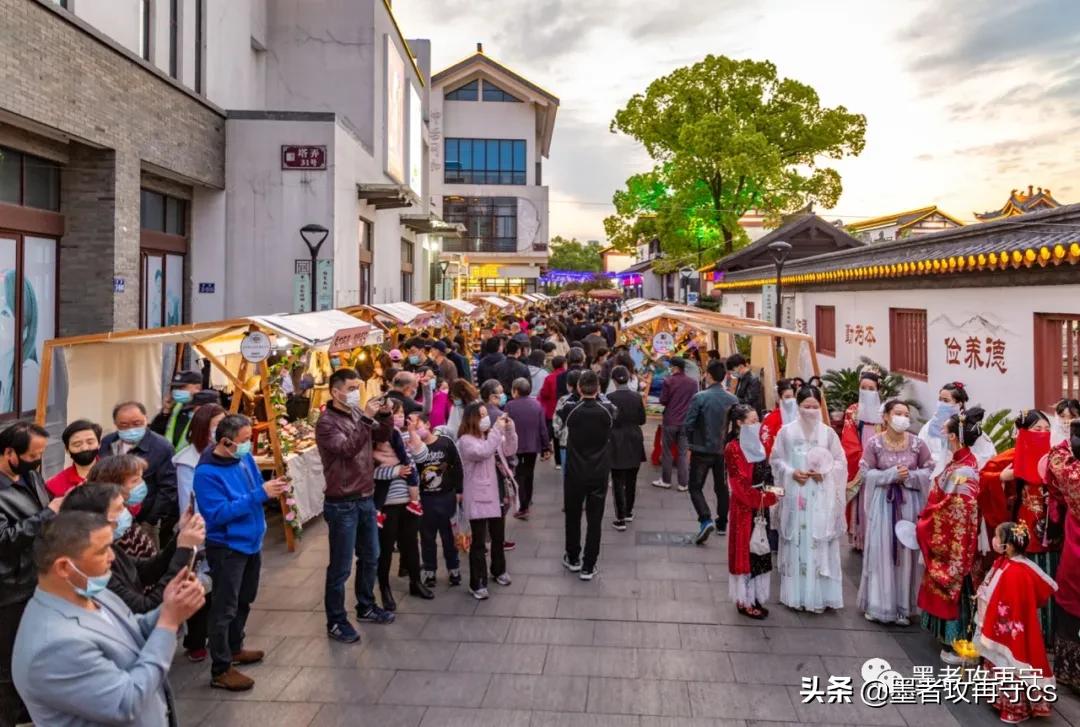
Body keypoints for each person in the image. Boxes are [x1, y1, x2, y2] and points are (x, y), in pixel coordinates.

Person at [12, 511, 205, 727]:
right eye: (103, 551)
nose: (112, 557)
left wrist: (170, 606)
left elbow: (131, 628)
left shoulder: (89, 590)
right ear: (64, 567)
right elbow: (125, 703)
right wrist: (168, 622)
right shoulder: (53, 646)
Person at [194, 414, 290, 691]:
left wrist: (272, 489)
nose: (249, 445)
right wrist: (260, 495)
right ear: (226, 442)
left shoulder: (243, 457)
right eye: (245, 440)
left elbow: (256, 486)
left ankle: (235, 647)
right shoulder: (206, 473)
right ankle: (220, 669)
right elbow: (217, 514)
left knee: (245, 598)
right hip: (227, 547)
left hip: (251, 541)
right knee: (224, 607)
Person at [316, 369, 395, 646]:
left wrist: (385, 414)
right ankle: (336, 621)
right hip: (342, 502)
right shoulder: (326, 423)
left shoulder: (356, 413)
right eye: (350, 388)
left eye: (357, 388)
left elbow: (381, 434)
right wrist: (367, 419)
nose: (354, 393)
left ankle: (366, 605)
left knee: (371, 555)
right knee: (340, 567)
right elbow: (347, 449)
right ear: (335, 391)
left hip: (365, 496)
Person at [60, 482, 205, 614]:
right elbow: (145, 608)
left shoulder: (110, 547)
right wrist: (184, 550)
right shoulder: (94, 571)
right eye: (119, 509)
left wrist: (180, 538)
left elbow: (147, 570)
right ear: (95, 519)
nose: (126, 513)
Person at [980, 409, 1059, 646]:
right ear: (1023, 432)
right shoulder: (1014, 456)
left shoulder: (1056, 457)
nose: (1043, 433)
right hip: (1023, 530)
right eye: (1037, 429)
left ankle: (1049, 636)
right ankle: (1025, 637)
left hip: (1052, 532)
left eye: (1047, 430)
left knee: (1050, 581)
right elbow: (984, 477)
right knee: (1023, 586)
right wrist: (1002, 478)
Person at [0, 422, 58, 726]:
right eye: (32, 455)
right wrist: (49, 514)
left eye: (40, 454)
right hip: (9, 589)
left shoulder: (31, 476)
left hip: (38, 580)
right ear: (9, 452)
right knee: (6, 664)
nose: (37, 461)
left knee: (32, 654)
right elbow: (4, 540)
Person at [917, 407, 985, 664]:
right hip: (956, 536)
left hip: (956, 540)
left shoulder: (963, 471)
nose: (943, 434)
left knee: (956, 587)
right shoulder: (961, 462)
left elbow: (955, 511)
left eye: (946, 431)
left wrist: (927, 519)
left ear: (954, 437)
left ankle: (956, 644)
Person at [770, 386, 846, 613]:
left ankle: (821, 595)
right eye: (806, 406)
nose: (811, 411)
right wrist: (791, 472)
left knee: (819, 540)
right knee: (797, 538)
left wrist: (825, 473)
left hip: (821, 495)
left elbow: (840, 462)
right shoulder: (786, 432)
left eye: (815, 406)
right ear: (798, 406)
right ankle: (797, 594)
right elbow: (776, 459)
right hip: (796, 493)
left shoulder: (828, 434)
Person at [856, 400, 932, 625]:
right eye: (898, 413)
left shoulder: (918, 444)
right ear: (886, 416)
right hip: (884, 503)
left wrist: (910, 476)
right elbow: (866, 473)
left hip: (909, 503)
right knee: (882, 550)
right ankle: (878, 605)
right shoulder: (874, 443)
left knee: (906, 552)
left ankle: (903, 608)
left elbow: (929, 470)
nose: (903, 418)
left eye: (906, 414)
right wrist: (889, 475)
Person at [975, 521, 1057, 723]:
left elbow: (1004, 602)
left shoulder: (1014, 572)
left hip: (1008, 628)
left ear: (1009, 545)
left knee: (1010, 663)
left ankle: (1014, 709)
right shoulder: (1009, 564)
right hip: (1010, 625)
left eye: (998, 537)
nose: (994, 540)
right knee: (1005, 661)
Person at [373, 404, 433, 608]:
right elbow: (369, 472)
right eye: (393, 414)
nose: (396, 418)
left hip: (410, 501)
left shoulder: (403, 436)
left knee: (411, 544)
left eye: (398, 414)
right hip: (387, 504)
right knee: (386, 548)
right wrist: (395, 471)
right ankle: (384, 588)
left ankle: (416, 582)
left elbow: (421, 457)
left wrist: (414, 433)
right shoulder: (374, 440)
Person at [559, 370, 617, 580]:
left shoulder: (571, 410)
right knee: (595, 520)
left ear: (578, 388)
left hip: (575, 471)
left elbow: (563, 410)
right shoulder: (607, 410)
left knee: (573, 516)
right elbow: (613, 410)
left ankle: (573, 557)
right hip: (599, 471)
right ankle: (589, 565)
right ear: (599, 388)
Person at [457, 403, 518, 600]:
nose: (486, 419)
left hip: (498, 492)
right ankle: (477, 583)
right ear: (471, 418)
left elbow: (509, 449)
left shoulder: (490, 435)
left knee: (498, 537)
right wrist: (497, 431)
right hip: (479, 495)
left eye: (486, 415)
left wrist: (509, 430)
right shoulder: (466, 441)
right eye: (481, 415)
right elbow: (482, 452)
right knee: (479, 542)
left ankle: (499, 570)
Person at [726, 405, 781, 619]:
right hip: (744, 509)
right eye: (752, 420)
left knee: (760, 551)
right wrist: (765, 498)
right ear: (739, 423)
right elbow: (738, 485)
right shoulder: (733, 448)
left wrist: (774, 491)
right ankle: (744, 599)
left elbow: (767, 473)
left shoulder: (758, 445)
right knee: (746, 553)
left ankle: (756, 596)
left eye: (758, 419)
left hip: (759, 506)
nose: (757, 424)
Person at [100, 401, 179, 548]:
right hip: (111, 518)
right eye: (124, 425)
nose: (131, 429)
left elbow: (168, 488)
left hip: (144, 520)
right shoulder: (107, 442)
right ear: (116, 424)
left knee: (146, 556)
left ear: (146, 419)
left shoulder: (162, 447)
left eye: (137, 423)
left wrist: (151, 520)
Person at [683, 359, 740, 543]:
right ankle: (722, 522)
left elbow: (689, 424)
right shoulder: (732, 399)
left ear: (708, 375)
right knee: (721, 487)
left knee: (695, 487)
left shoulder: (700, 397)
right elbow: (737, 427)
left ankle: (705, 518)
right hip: (722, 450)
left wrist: (690, 443)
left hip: (701, 449)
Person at [1046, 422, 1080, 691]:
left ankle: (1070, 671)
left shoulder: (1070, 471)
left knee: (1071, 606)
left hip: (1074, 548)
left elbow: (1055, 458)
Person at [413, 411, 464, 588]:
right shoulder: (414, 448)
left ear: (427, 424)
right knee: (427, 537)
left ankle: (454, 569)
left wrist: (459, 490)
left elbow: (457, 466)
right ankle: (430, 571)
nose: (415, 431)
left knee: (449, 536)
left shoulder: (445, 443)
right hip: (425, 499)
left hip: (446, 496)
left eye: (417, 426)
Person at [841, 369, 884, 551]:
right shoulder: (853, 411)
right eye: (863, 388)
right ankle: (861, 538)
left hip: (880, 459)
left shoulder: (884, 411)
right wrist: (862, 459)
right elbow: (848, 439)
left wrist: (882, 458)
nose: (867, 391)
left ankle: (878, 539)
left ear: (878, 390)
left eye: (871, 388)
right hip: (860, 460)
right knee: (861, 499)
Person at [918, 381, 996, 474]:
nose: (941, 404)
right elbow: (920, 452)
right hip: (933, 476)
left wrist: (959, 466)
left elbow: (987, 457)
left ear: (959, 404)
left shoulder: (969, 428)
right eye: (940, 400)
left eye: (946, 401)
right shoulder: (929, 427)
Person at [607, 365, 646, 530]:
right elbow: (642, 419)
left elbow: (607, 420)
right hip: (634, 438)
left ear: (614, 380)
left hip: (616, 440)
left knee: (617, 479)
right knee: (632, 479)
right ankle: (629, 511)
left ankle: (620, 517)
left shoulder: (609, 397)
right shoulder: (636, 396)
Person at [506, 377, 550, 520]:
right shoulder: (537, 405)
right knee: (529, 473)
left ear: (515, 391)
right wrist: (546, 447)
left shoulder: (510, 406)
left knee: (518, 474)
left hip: (515, 446)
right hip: (533, 445)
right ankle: (528, 500)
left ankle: (523, 505)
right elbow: (542, 428)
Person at [654, 357, 699, 492]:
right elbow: (695, 401)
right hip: (685, 421)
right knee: (683, 453)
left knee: (667, 451)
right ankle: (683, 483)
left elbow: (663, 400)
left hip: (670, 420)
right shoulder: (693, 383)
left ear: (674, 367)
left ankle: (666, 480)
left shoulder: (669, 381)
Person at [46, 418, 102, 497]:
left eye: (90, 442)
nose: (84, 448)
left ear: (99, 444)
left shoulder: (116, 474)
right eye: (77, 444)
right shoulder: (54, 485)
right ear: (67, 449)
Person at [150, 370, 203, 451]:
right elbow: (155, 433)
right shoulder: (177, 406)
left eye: (182, 387)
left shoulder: (206, 411)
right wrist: (166, 411)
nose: (177, 390)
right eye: (175, 387)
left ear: (197, 388)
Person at [538, 355, 567, 469]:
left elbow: (544, 393)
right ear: (564, 364)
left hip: (551, 409)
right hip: (564, 408)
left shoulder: (549, 378)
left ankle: (558, 461)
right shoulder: (567, 376)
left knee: (554, 434)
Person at [760, 379, 798, 459]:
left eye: (793, 396)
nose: (791, 400)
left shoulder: (801, 414)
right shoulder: (772, 417)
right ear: (780, 398)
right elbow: (766, 439)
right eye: (787, 397)